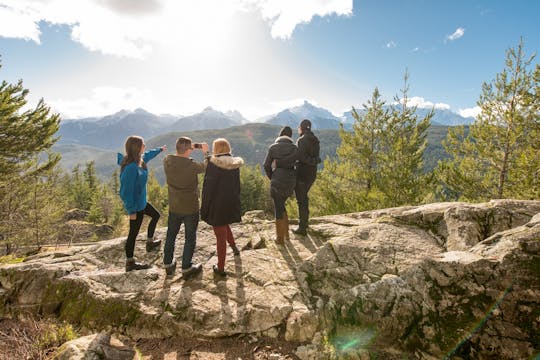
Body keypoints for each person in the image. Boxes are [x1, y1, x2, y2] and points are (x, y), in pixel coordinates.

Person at [118, 135, 166, 272]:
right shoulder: (131, 167)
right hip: (136, 207)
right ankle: (130, 262)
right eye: (143, 144)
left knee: (156, 215)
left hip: (142, 202)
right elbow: (125, 192)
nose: (145, 146)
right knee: (133, 234)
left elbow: (148, 154)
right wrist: (131, 211)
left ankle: (150, 243)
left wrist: (160, 150)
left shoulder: (140, 159)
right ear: (137, 147)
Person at [162, 137, 208, 278]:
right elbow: (206, 166)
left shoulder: (167, 161)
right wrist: (206, 152)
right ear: (189, 150)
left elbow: (181, 154)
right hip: (190, 207)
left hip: (174, 206)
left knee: (171, 235)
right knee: (190, 237)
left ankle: (168, 264)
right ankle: (186, 267)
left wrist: (188, 147)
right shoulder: (192, 165)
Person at [201, 138, 243, 278]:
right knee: (224, 225)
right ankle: (234, 247)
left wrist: (204, 208)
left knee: (220, 235)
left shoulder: (214, 165)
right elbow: (237, 187)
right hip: (230, 202)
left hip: (217, 205)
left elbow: (208, 189)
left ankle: (220, 268)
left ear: (216, 149)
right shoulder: (234, 164)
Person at [277, 119, 320, 235]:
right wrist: (315, 161)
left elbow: (300, 157)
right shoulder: (315, 140)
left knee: (301, 200)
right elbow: (317, 158)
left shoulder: (301, 140)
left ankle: (302, 228)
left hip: (302, 174)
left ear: (301, 128)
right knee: (304, 198)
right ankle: (305, 223)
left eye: (299, 128)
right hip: (312, 174)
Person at [263, 126, 297, 244]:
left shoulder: (273, 147)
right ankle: (286, 235)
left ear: (280, 135)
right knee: (282, 205)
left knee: (278, 208)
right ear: (290, 136)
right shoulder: (295, 148)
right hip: (290, 181)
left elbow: (266, 165)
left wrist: (272, 176)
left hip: (277, 179)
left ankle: (280, 239)